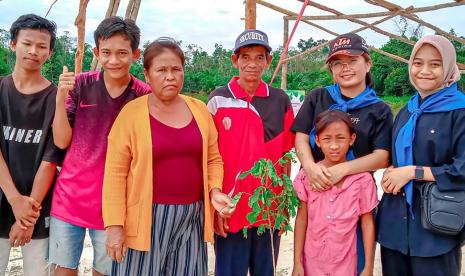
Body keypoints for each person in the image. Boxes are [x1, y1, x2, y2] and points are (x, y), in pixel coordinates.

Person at [102, 37, 233, 276]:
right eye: (161, 70)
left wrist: (214, 191)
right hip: (146, 217)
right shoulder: (131, 114)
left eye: (176, 69)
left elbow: (213, 158)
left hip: (192, 217)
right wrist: (114, 226)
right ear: (147, 73)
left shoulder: (199, 110)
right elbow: (114, 174)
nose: (170, 76)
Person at [49, 17, 150, 276]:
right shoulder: (81, 85)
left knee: (105, 271)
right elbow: (61, 141)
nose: (113, 60)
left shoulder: (143, 96)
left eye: (122, 53)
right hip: (69, 198)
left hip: (114, 205)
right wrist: (60, 99)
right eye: (106, 53)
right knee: (62, 270)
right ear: (96, 53)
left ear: (135, 55)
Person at [291, 33, 393, 272]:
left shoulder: (379, 109)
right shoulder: (319, 96)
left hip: (356, 197)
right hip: (320, 188)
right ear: (331, 68)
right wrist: (311, 168)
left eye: (353, 61)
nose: (345, 68)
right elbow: (301, 137)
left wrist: (342, 170)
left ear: (367, 64)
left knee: (351, 261)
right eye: (338, 63)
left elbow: (382, 156)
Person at [208, 29, 295, 276]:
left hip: (268, 209)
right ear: (235, 60)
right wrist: (214, 206)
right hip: (231, 209)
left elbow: (286, 156)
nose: (252, 64)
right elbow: (209, 157)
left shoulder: (280, 100)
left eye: (259, 57)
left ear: (268, 61)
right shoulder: (217, 99)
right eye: (245, 57)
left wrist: (284, 204)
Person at [377, 35, 465, 276]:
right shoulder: (407, 110)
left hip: (436, 228)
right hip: (395, 227)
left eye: (435, 64)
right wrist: (392, 172)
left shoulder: (460, 111)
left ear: (448, 67)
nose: (424, 71)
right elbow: (396, 159)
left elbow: (462, 169)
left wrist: (412, 172)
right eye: (418, 63)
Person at [0, 14, 63, 276]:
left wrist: (28, 213)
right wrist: (15, 200)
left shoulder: (56, 98)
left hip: (39, 207)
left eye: (41, 46)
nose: (33, 51)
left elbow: (51, 158)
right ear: (13, 44)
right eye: (27, 43)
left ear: (49, 52)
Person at [292, 110, 377, 276]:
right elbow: (302, 219)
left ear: (352, 139)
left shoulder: (362, 180)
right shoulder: (306, 176)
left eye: (341, 138)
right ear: (317, 140)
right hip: (312, 263)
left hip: (346, 264)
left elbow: (367, 224)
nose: (334, 146)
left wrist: (368, 267)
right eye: (326, 139)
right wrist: (297, 262)